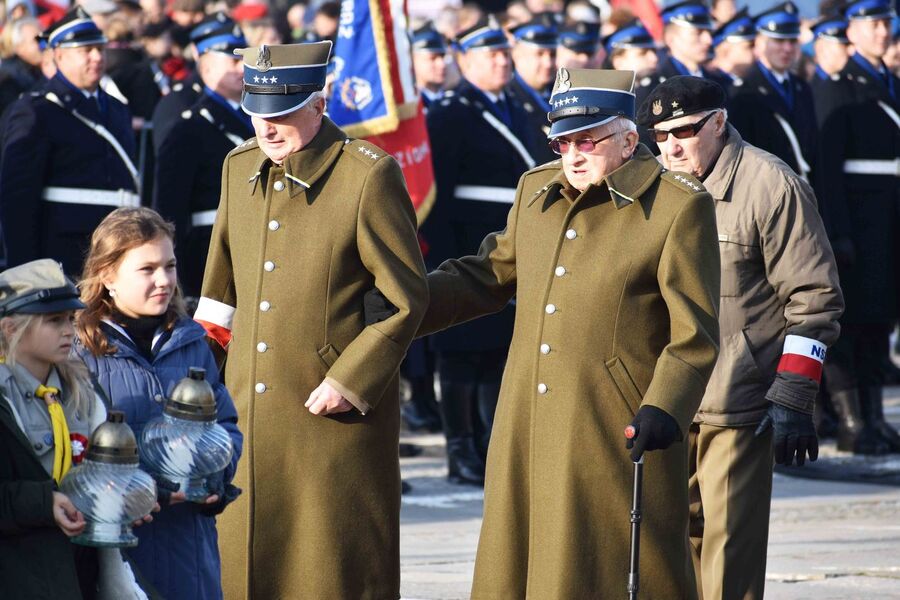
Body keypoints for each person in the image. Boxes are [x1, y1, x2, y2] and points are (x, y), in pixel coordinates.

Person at [417, 67, 721, 598]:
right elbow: (487, 275)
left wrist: (664, 406)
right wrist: (400, 303)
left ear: (629, 138)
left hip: (613, 423)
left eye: (587, 140)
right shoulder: (538, 190)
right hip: (526, 421)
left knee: (608, 566)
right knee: (519, 559)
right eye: (561, 141)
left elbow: (694, 331)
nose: (573, 155)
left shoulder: (677, 204)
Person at [195, 41, 427, 599]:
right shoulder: (239, 165)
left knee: (328, 570)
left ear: (318, 105)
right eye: (257, 111)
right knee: (244, 565)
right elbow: (218, 295)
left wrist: (349, 381)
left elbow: (405, 298)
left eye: (281, 113)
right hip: (244, 414)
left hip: (329, 417)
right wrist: (199, 384)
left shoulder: (366, 176)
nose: (267, 127)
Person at [638, 75, 843, 600]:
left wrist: (795, 393)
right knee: (666, 554)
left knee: (729, 557)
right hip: (665, 400)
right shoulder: (653, 185)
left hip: (737, 400)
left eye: (684, 130)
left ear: (720, 122)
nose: (671, 146)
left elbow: (814, 297)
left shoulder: (772, 185)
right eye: (659, 135)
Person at [75, 207, 242, 599]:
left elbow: (227, 425)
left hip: (190, 552)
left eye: (170, 266)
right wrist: (149, 484)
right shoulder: (78, 351)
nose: (164, 280)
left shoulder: (191, 341)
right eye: (147, 270)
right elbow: (75, 447)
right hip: (117, 558)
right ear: (107, 275)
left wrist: (214, 474)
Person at [422, 16, 536, 486]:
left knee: (496, 350)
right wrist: (444, 258)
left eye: (504, 53)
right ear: (464, 61)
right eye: (490, 55)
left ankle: (489, 443)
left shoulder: (523, 106)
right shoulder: (450, 112)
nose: (501, 61)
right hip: (464, 246)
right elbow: (437, 194)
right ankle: (460, 449)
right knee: (460, 353)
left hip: (510, 244)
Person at [815, 0, 900, 454]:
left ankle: (874, 417)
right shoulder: (839, 84)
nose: (884, 31)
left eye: (887, 22)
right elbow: (828, 166)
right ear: (853, 30)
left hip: (887, 221)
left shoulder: (887, 79)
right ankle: (853, 422)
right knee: (854, 322)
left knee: (880, 321)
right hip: (860, 221)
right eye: (874, 24)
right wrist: (837, 229)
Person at [0, 259, 110, 600]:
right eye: (53, 321)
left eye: (69, 319)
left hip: (79, 570)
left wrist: (141, 494)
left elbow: (104, 469)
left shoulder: (83, 391)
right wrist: (43, 503)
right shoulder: (5, 399)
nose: (69, 331)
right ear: (9, 328)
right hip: (17, 574)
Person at [0, 7, 139, 276]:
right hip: (63, 252)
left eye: (99, 49)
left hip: (116, 247)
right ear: (59, 55)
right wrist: (24, 272)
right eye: (85, 51)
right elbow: (17, 198)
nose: (97, 57)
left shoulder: (117, 108)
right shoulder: (38, 110)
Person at [153, 14, 252, 300]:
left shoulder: (258, 118)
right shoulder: (189, 127)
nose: (242, 68)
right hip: (209, 255)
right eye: (232, 61)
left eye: (244, 60)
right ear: (206, 66)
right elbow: (171, 209)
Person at [728, 2, 818, 183]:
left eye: (792, 41)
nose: (787, 48)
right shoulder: (744, 91)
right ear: (759, 43)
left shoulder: (802, 87)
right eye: (778, 40)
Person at [507, 13, 558, 163]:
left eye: (552, 54)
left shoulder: (563, 92)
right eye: (539, 54)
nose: (548, 63)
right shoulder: (510, 99)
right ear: (517, 55)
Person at [0, 17, 43, 117]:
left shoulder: (38, 69)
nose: (43, 45)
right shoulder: (9, 79)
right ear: (20, 47)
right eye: (37, 40)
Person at [710, 8, 756, 82]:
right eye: (749, 47)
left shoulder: (748, 83)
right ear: (725, 49)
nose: (756, 52)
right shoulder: (712, 84)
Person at [411, 22, 449, 110]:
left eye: (442, 56)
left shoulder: (455, 102)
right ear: (412, 60)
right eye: (432, 58)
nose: (442, 64)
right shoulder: (413, 106)